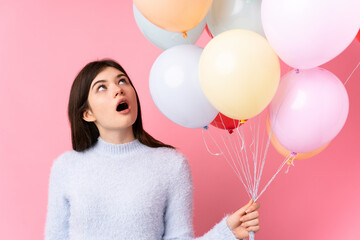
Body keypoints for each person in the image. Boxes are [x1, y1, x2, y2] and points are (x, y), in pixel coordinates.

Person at [44, 59, 260, 240]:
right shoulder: (66, 167)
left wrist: (226, 233)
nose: (118, 89)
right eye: (102, 87)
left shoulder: (171, 165)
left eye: (123, 81)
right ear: (87, 114)